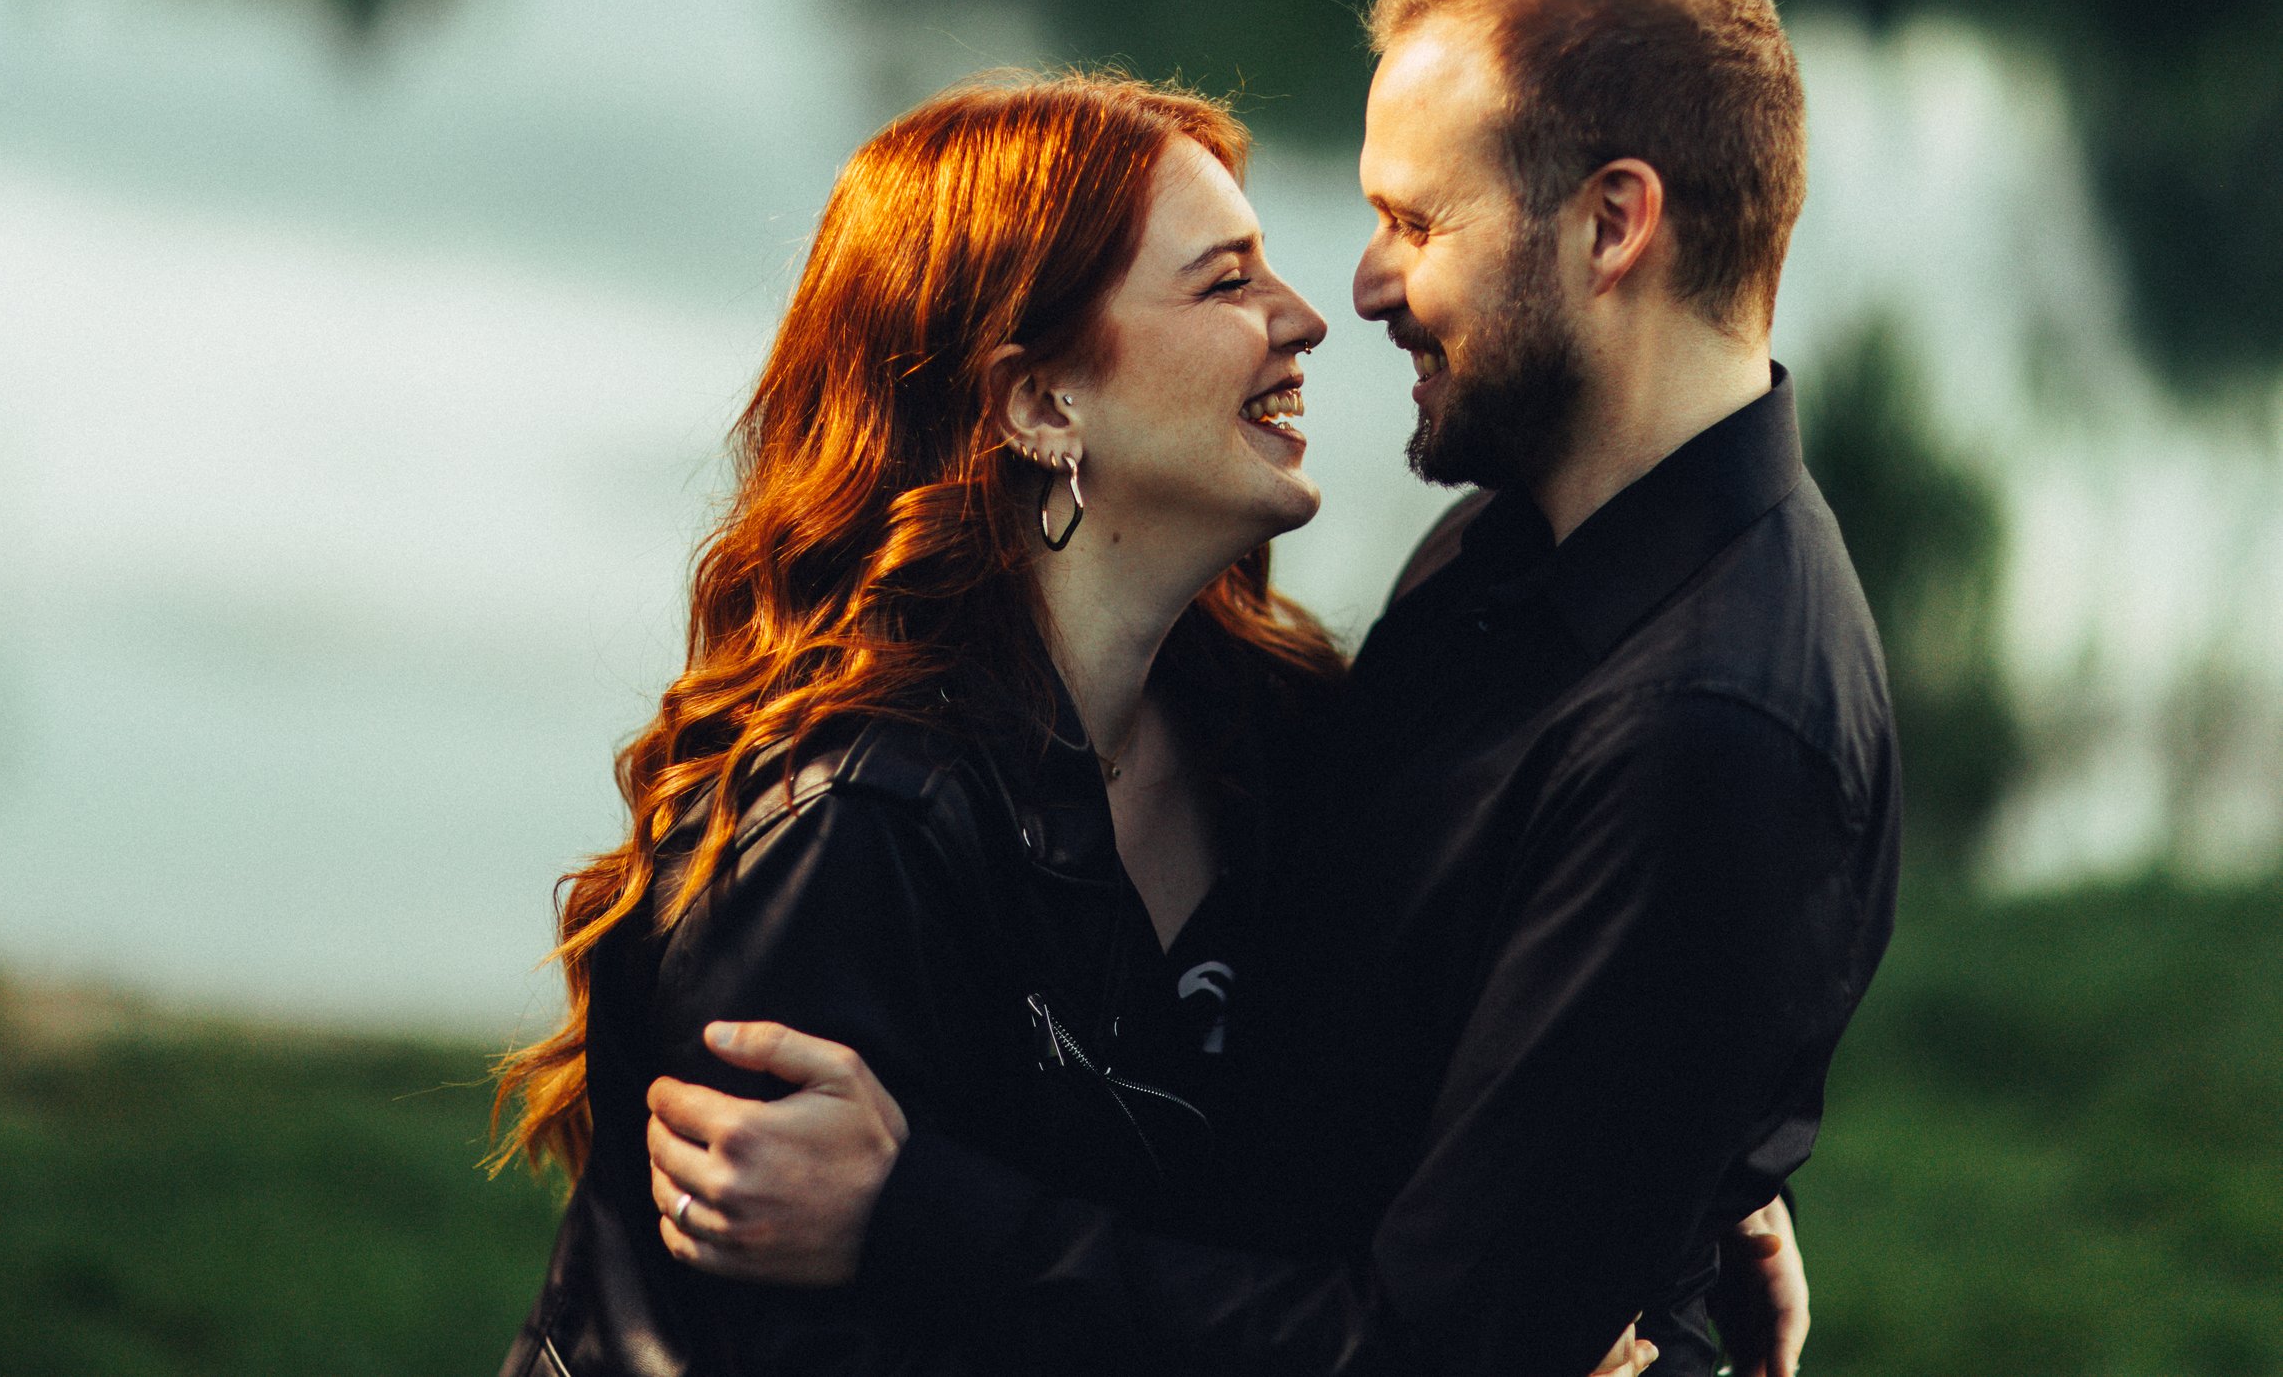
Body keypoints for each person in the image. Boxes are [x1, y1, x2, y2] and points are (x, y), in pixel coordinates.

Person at [638, 0, 1898, 1377]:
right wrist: (1660, 1164)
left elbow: (1436, 1351)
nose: (1348, 293)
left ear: (1615, 222)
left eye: (1416, 223)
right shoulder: (1488, 561)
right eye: (1230, 277)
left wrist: (1660, 1171)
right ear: (1036, 402)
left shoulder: (1710, 733)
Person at [488, 71, 1683, 1377]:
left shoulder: (1274, 740)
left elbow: (1490, 1051)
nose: (1305, 320)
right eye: (1226, 283)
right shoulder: (849, 836)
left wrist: (1684, 1190)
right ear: (1041, 406)